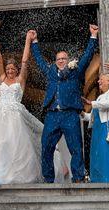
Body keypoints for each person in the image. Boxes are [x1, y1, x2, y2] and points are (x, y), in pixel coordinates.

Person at [30, 24, 99, 183]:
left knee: (75, 147)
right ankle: (48, 179)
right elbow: (39, 60)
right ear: (55, 61)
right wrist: (35, 42)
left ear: (68, 60)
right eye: (58, 59)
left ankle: (79, 177)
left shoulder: (76, 71)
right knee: (46, 147)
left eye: (64, 58)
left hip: (70, 114)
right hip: (52, 114)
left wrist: (93, 36)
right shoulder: (50, 71)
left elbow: (88, 56)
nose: (61, 61)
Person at [0, 31, 43, 185]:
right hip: (0, 116)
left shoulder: (20, 80)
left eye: (13, 69)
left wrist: (27, 40)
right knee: (1, 144)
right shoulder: (2, 78)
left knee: (16, 144)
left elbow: (24, 61)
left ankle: (18, 176)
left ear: (16, 70)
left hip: (16, 117)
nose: (10, 71)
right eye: (8, 68)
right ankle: (1, 176)